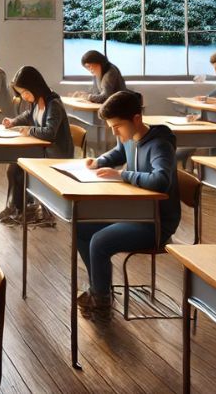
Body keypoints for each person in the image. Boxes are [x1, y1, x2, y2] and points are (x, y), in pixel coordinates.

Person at [78, 91, 180, 321]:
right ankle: (100, 288)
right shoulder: (129, 136)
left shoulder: (160, 144)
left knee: (99, 241)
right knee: (82, 228)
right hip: (133, 212)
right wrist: (99, 161)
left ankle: (101, 301)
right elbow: (119, 151)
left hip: (155, 222)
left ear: (136, 119)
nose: (114, 132)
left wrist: (122, 175)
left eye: (117, 126)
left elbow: (161, 181)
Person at [0, 66, 74, 226]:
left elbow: (50, 133)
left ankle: (28, 209)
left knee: (20, 168)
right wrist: (13, 122)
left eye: (25, 92)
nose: (23, 96)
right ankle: (17, 207)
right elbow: (28, 116)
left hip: (56, 154)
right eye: (21, 93)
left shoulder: (53, 104)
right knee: (13, 167)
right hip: (42, 150)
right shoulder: (36, 102)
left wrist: (29, 130)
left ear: (35, 87)